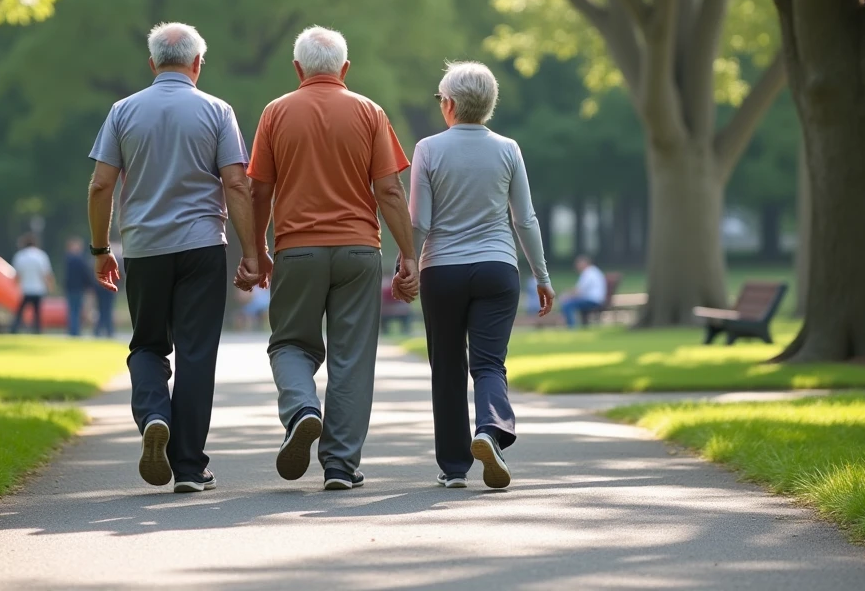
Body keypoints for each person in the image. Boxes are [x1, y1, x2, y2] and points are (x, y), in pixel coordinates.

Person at [241, 25, 417, 492]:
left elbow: (259, 190)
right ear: (345, 68)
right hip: (360, 251)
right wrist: (409, 255)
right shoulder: (369, 112)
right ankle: (340, 466)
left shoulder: (276, 112)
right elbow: (389, 190)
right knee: (352, 359)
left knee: (289, 344)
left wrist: (255, 250)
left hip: (297, 251)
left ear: (297, 68)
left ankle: (301, 408)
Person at [88, 21, 258, 494]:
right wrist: (252, 252)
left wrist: (101, 249)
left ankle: (153, 417)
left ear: (152, 63)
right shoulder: (217, 111)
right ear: (198, 63)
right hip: (204, 246)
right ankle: (188, 466)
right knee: (196, 354)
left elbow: (101, 185)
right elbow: (236, 183)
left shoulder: (122, 111)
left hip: (144, 249)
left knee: (146, 345)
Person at [407, 61, 554, 490]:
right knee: (489, 363)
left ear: (448, 104)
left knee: (447, 366)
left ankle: (454, 467)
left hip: (443, 271)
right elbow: (524, 219)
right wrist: (541, 276)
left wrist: (407, 265)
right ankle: (489, 432)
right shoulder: (508, 148)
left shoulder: (428, 149)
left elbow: (419, 221)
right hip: (497, 268)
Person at [11, 234, 55, 334]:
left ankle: (14, 329)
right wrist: (50, 286)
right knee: (37, 313)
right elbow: (46, 274)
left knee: (20, 312)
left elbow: (17, 275)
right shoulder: (41, 255)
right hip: (38, 289)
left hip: (25, 289)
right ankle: (38, 331)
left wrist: (15, 286)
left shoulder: (20, 256)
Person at [559, 255, 607, 328]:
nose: (576, 266)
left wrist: (566, 296)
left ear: (584, 263)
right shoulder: (593, 271)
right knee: (569, 303)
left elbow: (579, 291)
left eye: (578, 263)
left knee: (567, 305)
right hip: (595, 299)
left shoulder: (588, 273)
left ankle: (571, 327)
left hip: (593, 300)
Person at [64, 238, 92, 337]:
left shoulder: (68, 259)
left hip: (71, 288)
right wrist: (89, 285)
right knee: (77, 310)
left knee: (72, 310)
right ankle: (75, 331)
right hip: (79, 288)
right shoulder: (80, 260)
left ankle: (72, 330)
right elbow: (85, 274)